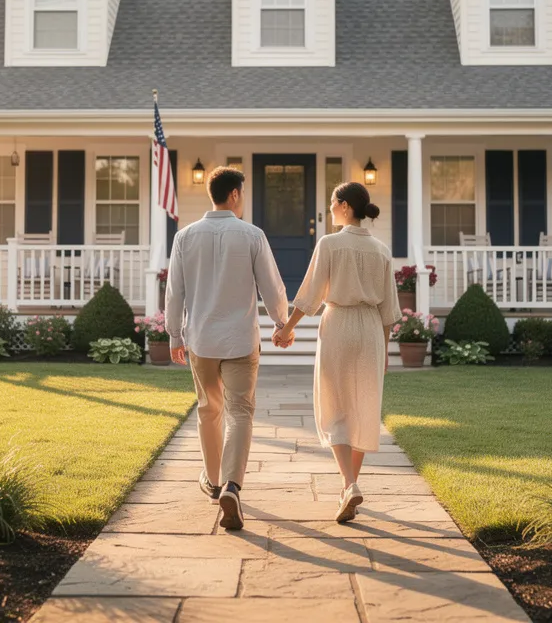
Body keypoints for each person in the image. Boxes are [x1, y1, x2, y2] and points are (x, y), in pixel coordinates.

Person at [165, 166, 288, 531]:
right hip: (240, 340)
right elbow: (271, 285)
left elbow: (175, 292)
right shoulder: (252, 235)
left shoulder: (185, 237)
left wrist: (174, 335)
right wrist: (282, 322)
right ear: (234, 194)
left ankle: (215, 482)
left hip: (201, 340)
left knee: (208, 409)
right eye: (243, 194)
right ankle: (232, 485)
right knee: (241, 412)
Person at [273, 182, 401, 523]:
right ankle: (352, 483)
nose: (329, 209)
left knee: (334, 406)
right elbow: (389, 309)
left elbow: (310, 294)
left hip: (339, 325)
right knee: (364, 407)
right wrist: (385, 350)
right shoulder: (382, 250)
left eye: (332, 203)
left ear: (344, 206)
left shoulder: (329, 244)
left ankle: (348, 483)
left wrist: (287, 328)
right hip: (372, 329)